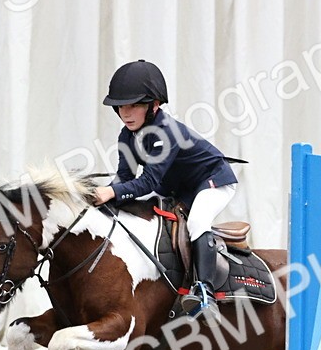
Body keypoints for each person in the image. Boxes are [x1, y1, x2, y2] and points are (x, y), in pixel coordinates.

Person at [91, 60, 237, 317]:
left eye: (134, 105)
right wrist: (101, 195)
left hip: (212, 180)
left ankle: (205, 293)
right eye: (121, 106)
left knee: (197, 222)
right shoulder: (127, 136)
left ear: (154, 105)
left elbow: (146, 182)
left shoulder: (165, 132)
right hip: (179, 187)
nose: (126, 113)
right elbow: (125, 177)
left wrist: (112, 193)